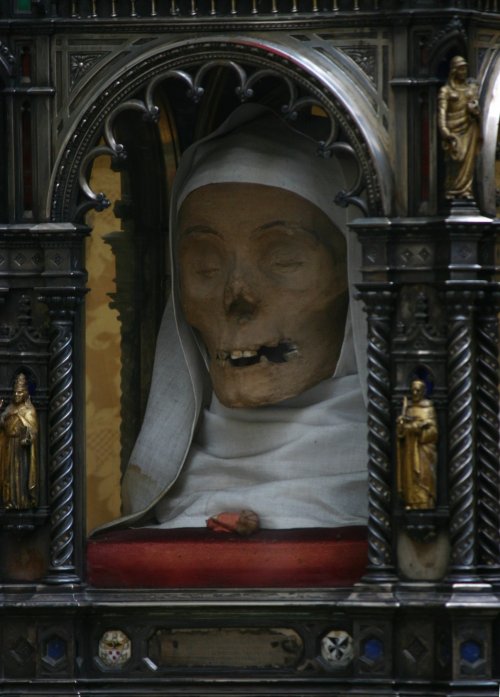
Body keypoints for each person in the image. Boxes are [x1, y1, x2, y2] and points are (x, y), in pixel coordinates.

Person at [110, 104, 368, 532]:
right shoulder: (167, 486)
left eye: (283, 260)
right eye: (206, 268)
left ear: (354, 275)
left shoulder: (396, 478)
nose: (237, 297)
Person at [437, 55, 481, 201]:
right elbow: (442, 113)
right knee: (454, 160)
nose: (464, 72)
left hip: (469, 129)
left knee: (468, 162)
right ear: (454, 71)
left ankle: (466, 190)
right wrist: (444, 130)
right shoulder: (446, 91)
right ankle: (452, 189)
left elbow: (478, 111)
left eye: (465, 69)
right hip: (453, 131)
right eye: (461, 69)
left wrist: (474, 110)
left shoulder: (470, 89)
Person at [396, 379, 438, 511]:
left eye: (418, 390)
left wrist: (418, 430)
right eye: (413, 390)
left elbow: (434, 432)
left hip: (423, 451)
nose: (415, 393)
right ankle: (411, 503)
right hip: (409, 450)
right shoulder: (407, 408)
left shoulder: (428, 408)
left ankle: (425, 505)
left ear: (423, 392)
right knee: (409, 478)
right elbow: (400, 433)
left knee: (424, 477)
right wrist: (402, 426)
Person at [0, 373, 38, 510]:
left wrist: (28, 439)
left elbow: (33, 431)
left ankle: (23, 502)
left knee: (21, 475)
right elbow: (2, 424)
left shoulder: (29, 410)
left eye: (20, 392)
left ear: (25, 393)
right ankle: (8, 501)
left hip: (21, 449)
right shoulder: (9, 408)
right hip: (8, 445)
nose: (16, 394)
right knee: (8, 475)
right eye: (15, 392)